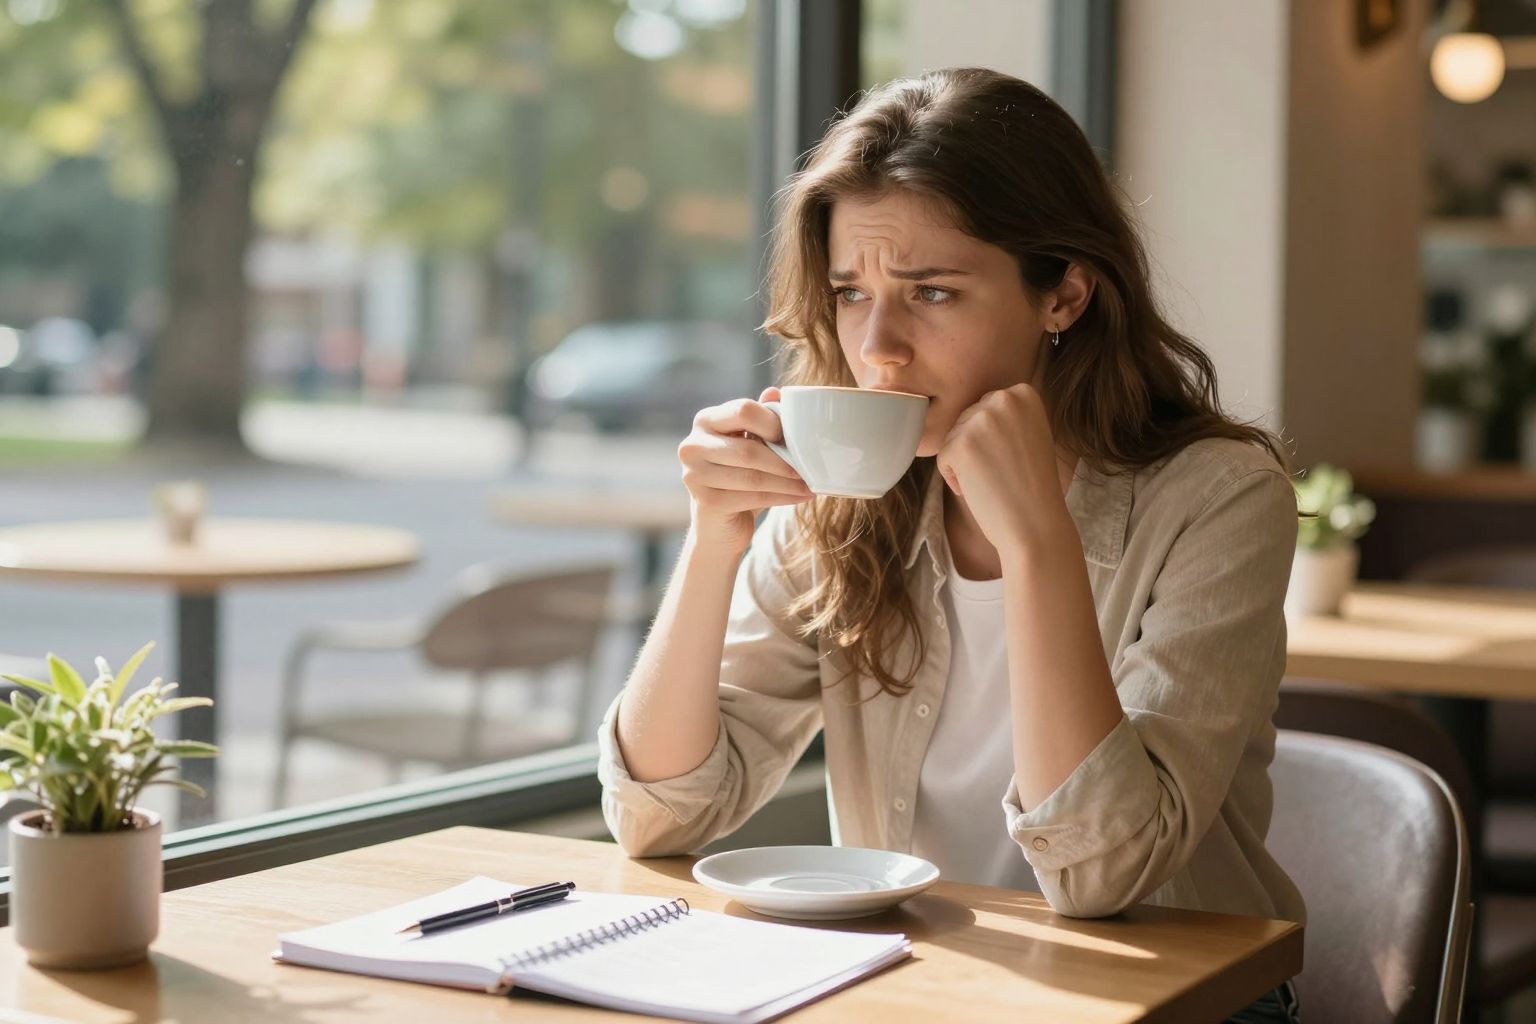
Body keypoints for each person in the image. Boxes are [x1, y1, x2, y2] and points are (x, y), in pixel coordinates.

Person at [597, 67, 1304, 1024]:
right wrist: (715, 541)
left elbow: (1104, 872)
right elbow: (658, 817)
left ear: (1065, 296)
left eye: (931, 292)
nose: (878, 348)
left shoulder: (1220, 499)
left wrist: (1039, 544)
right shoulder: (843, 500)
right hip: (929, 990)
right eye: (850, 292)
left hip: (1176, 1002)